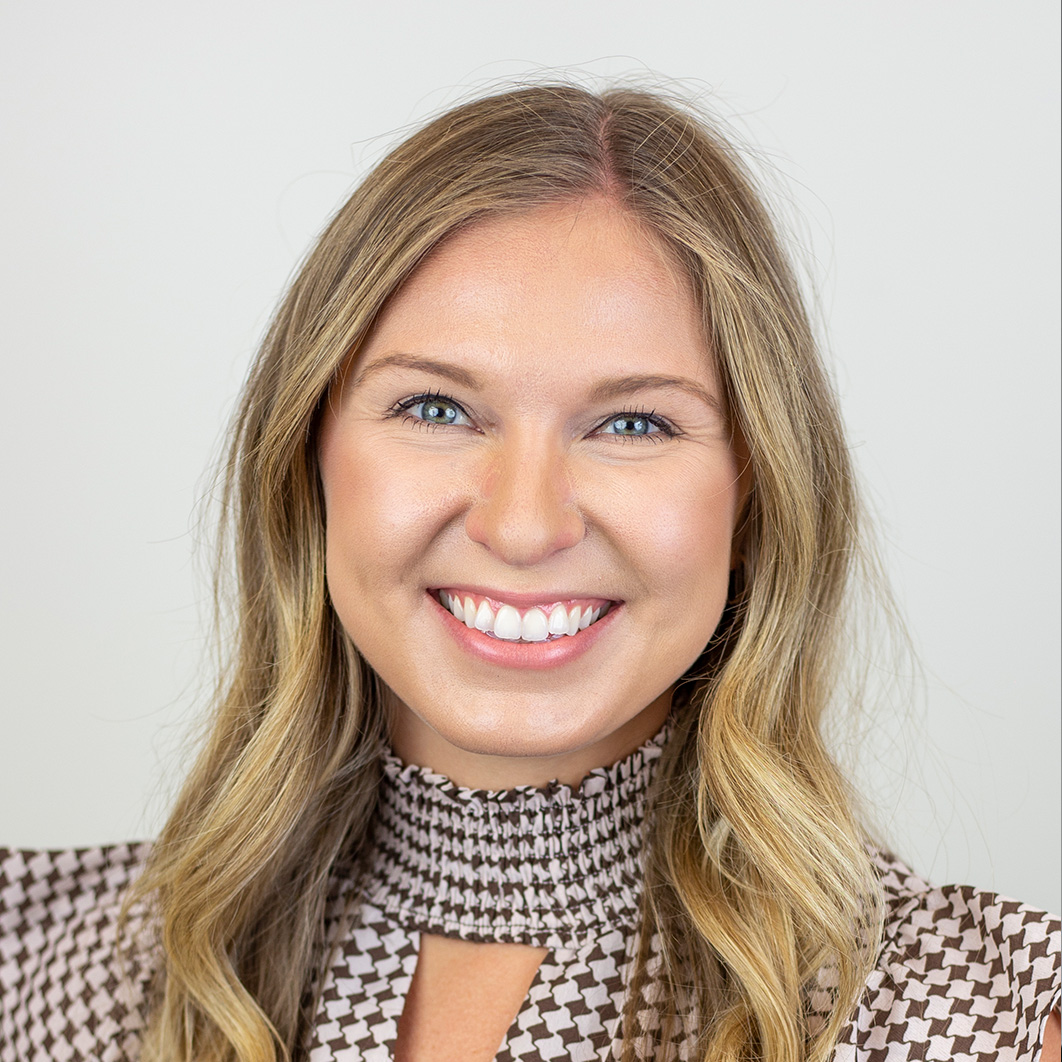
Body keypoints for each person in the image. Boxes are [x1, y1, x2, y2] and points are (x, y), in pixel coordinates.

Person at [0, 83, 1058, 1062]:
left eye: (634, 422)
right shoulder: (42, 979)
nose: (522, 523)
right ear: (310, 457)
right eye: (436, 408)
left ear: (756, 495)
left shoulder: (986, 1025)